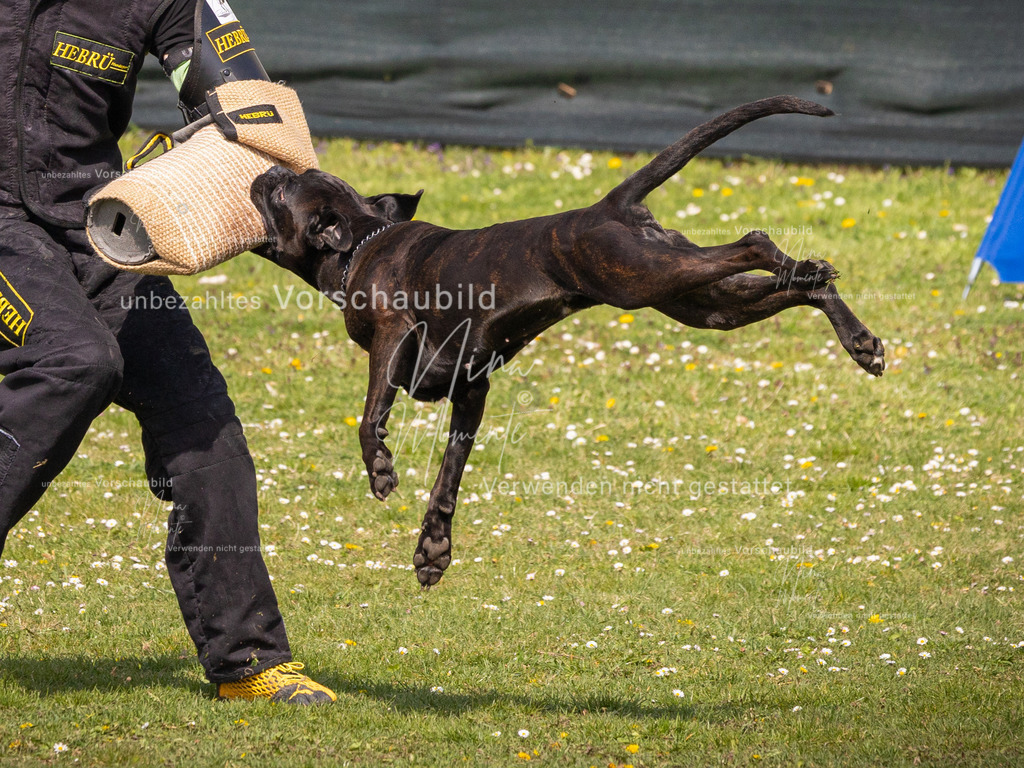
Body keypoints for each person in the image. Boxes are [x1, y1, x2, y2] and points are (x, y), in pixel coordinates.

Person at [0, 0, 335, 704]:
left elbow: (253, 115)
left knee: (202, 420)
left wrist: (359, 258)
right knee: (75, 362)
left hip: (96, 226)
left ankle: (249, 662)